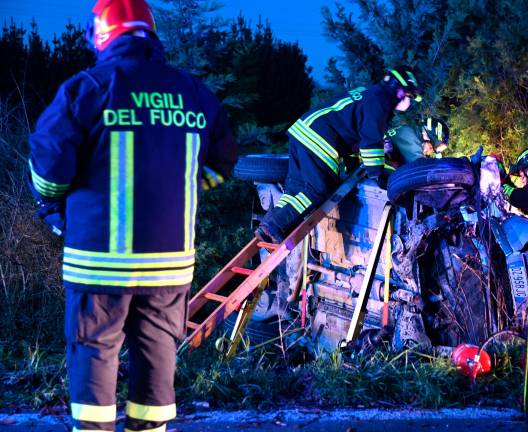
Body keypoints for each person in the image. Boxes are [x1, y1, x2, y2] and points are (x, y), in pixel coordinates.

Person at [27, 1, 237, 431]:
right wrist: (181, 190)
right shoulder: (194, 92)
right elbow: (222, 162)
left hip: (99, 261)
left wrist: (58, 205)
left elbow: (48, 171)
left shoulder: (87, 88)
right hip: (170, 263)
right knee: (158, 352)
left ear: (102, 35)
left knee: (94, 350)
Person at [256, 65, 422, 243]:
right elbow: (370, 143)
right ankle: (277, 225)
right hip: (319, 139)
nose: (409, 102)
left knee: (296, 188)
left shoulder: (371, 93)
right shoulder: (379, 102)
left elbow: (353, 135)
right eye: (409, 96)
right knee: (317, 190)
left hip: (302, 131)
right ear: (398, 89)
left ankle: (268, 226)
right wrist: (379, 176)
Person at [383, 116, 450, 167]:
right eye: (431, 148)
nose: (429, 153)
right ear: (424, 134)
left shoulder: (409, 129)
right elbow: (419, 168)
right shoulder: (409, 137)